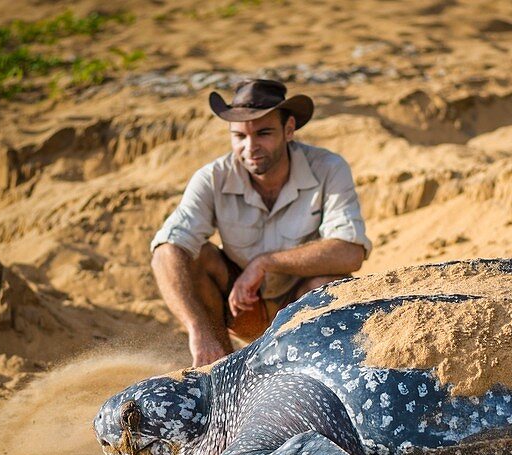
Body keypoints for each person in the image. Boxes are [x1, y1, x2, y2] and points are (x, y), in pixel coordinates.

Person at [150, 79, 370, 366]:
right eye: (239, 136)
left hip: (301, 306)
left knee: (327, 283)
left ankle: (312, 368)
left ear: (289, 129)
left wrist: (265, 263)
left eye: (263, 133)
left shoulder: (329, 168)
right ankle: (218, 363)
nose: (250, 147)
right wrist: (198, 331)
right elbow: (165, 252)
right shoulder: (212, 177)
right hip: (241, 309)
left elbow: (350, 251)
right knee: (190, 255)